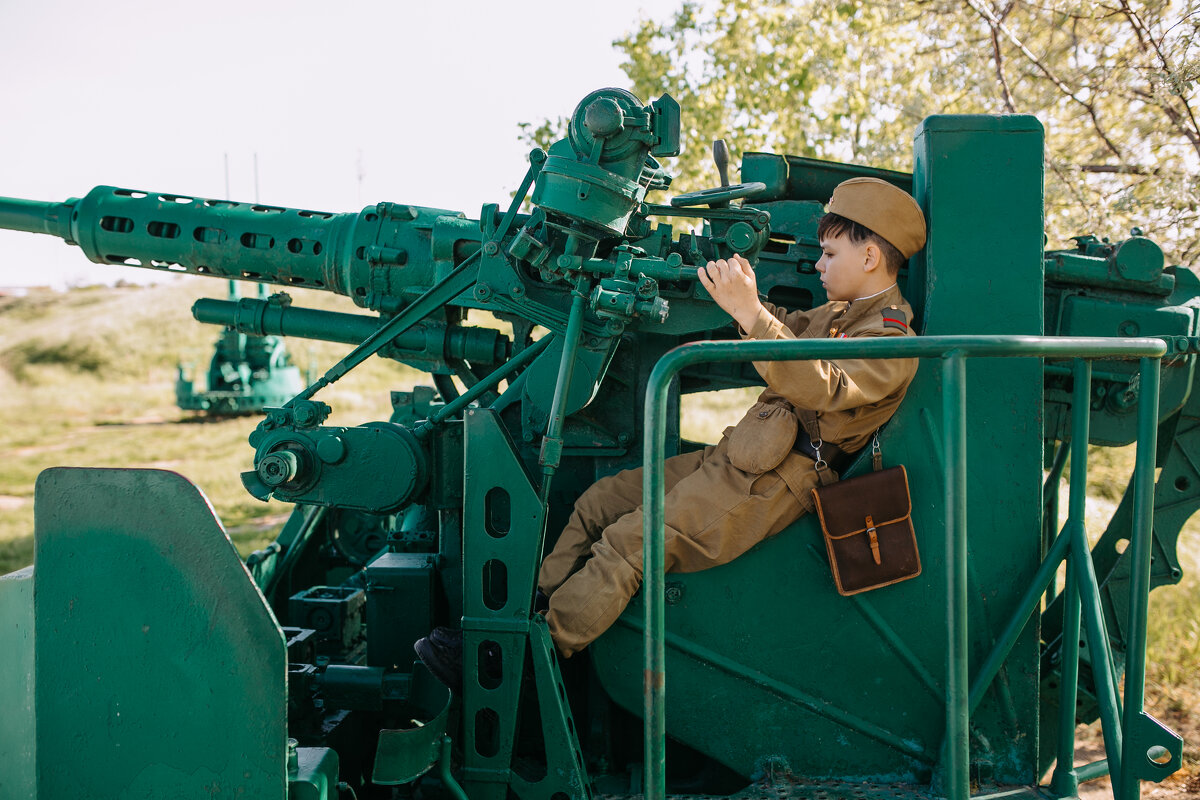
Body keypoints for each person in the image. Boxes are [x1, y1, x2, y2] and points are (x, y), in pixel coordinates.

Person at [416, 176, 927, 687]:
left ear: (869, 258)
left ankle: (512, 664)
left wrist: (750, 312)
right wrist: (725, 291)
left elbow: (825, 387)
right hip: (743, 456)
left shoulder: (891, 337)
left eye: (830, 253)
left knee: (629, 543)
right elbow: (789, 325)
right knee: (600, 503)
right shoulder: (840, 315)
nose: (819, 264)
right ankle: (527, 616)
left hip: (773, 481)